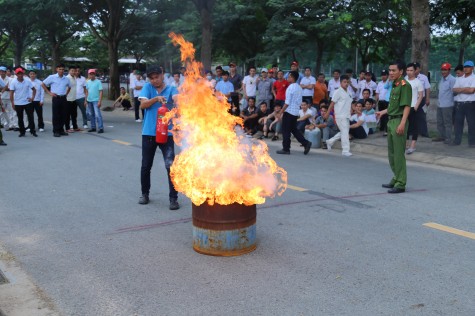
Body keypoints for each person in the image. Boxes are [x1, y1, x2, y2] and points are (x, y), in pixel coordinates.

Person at [138, 66, 180, 210]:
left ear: (162, 75)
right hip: (149, 133)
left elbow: (176, 99)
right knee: (146, 166)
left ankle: (173, 198)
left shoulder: (172, 88)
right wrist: (156, 99)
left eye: (157, 77)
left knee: (170, 166)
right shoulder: (147, 87)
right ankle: (145, 194)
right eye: (152, 78)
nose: (154, 80)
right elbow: (143, 105)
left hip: (166, 133)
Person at [376, 61, 412, 194]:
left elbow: (407, 106)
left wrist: (402, 123)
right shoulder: (394, 85)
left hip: (398, 121)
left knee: (398, 154)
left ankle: (401, 183)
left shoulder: (404, 86)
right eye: (389, 70)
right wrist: (382, 112)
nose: (390, 73)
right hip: (391, 120)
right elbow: (392, 106)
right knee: (391, 154)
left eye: (393, 70)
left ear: (401, 71)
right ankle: (396, 177)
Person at [276, 71, 312, 155]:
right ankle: (305, 143)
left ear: (292, 77)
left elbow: (287, 102)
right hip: (295, 112)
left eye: (289, 76)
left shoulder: (290, 87)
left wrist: (281, 112)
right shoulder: (299, 87)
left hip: (289, 112)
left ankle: (286, 148)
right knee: (294, 130)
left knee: (286, 131)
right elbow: (299, 101)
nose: (287, 78)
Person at [324, 75, 353, 156]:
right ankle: (345, 150)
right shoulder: (337, 92)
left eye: (347, 82)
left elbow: (351, 103)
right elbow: (332, 103)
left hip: (347, 115)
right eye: (344, 82)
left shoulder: (349, 92)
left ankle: (329, 142)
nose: (346, 84)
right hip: (340, 115)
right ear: (340, 83)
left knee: (344, 132)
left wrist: (356, 110)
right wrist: (327, 113)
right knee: (345, 133)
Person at [42, 63, 71, 137]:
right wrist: (49, 93)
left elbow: (69, 87)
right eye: (60, 69)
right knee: (56, 115)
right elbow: (43, 84)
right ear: (57, 69)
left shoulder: (66, 79)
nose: (61, 70)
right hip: (56, 98)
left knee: (63, 114)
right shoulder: (52, 77)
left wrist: (66, 94)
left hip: (63, 98)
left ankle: (61, 130)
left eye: (63, 69)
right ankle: (56, 131)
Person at [451, 60, 475, 147]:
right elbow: (454, 90)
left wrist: (460, 89)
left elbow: (472, 91)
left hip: (470, 103)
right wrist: (466, 89)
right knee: (458, 123)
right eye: (465, 67)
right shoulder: (459, 78)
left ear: (472, 68)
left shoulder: (474, 78)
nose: (466, 69)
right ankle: (457, 141)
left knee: (471, 123)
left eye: (468, 67)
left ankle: (472, 142)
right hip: (459, 104)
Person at [9, 67, 37, 137]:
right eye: (18, 74)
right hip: (18, 103)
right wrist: (12, 103)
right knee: (20, 118)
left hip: (27, 102)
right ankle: (22, 132)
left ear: (23, 74)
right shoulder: (13, 82)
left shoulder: (27, 81)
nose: (20, 75)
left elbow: (34, 89)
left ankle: (32, 131)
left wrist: (32, 98)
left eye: (21, 73)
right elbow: (11, 93)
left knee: (31, 118)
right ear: (16, 74)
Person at [433, 63, 456, 144]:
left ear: (449, 70)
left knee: (447, 123)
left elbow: (454, 92)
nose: (443, 71)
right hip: (440, 104)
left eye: (445, 70)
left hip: (448, 105)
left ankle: (448, 138)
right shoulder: (442, 79)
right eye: (442, 69)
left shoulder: (452, 79)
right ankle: (441, 136)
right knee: (439, 122)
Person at [404, 63, 424, 154]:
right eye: (407, 70)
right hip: (404, 106)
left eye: (411, 70)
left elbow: (421, 95)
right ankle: (405, 144)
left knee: (414, 126)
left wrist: (416, 106)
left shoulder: (417, 82)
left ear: (415, 71)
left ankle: (413, 145)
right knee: (405, 125)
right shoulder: (404, 80)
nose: (409, 72)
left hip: (413, 107)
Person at [84, 69, 104, 133]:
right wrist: (85, 100)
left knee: (97, 114)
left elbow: (101, 91)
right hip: (89, 100)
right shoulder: (88, 82)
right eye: (90, 74)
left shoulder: (98, 82)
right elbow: (86, 92)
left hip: (96, 100)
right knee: (91, 114)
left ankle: (101, 127)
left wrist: (99, 101)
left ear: (95, 74)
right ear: (88, 75)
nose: (91, 75)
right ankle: (93, 127)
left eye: (93, 74)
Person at [414, 62, 431, 137]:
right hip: (412, 99)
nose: (414, 70)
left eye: (416, 68)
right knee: (412, 116)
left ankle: (424, 132)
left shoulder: (424, 77)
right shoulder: (407, 77)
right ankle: (412, 132)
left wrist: (427, 98)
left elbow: (427, 88)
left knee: (422, 116)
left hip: (422, 99)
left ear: (419, 69)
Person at [0, 66, 19, 131]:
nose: (2, 73)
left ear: (5, 72)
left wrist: (4, 88)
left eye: (3, 72)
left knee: (13, 111)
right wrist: (5, 88)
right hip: (1, 98)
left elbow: (11, 89)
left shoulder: (10, 79)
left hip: (10, 97)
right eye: (0, 71)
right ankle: (4, 124)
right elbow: (7, 88)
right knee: (2, 112)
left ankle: (14, 125)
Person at [66, 66, 80, 132]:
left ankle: (75, 126)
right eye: (72, 71)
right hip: (68, 99)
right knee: (67, 115)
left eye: (74, 71)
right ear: (69, 71)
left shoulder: (74, 77)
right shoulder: (67, 78)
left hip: (74, 98)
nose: (73, 72)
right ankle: (67, 128)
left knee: (74, 114)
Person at [375, 70, 389, 135]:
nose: (383, 76)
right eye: (382, 75)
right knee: (381, 115)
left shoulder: (389, 83)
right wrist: (376, 101)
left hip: (387, 101)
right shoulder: (380, 83)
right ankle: (382, 127)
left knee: (386, 116)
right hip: (381, 101)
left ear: (387, 75)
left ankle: (387, 129)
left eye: (384, 75)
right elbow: (377, 93)